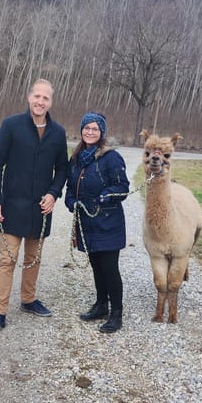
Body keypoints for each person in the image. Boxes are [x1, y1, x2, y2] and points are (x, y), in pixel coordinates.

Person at [0, 79, 69, 333]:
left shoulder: (58, 133)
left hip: (40, 209)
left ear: (50, 102)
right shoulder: (11, 125)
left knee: (34, 259)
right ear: (29, 97)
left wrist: (54, 194)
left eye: (46, 98)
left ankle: (28, 299)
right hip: (11, 206)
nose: (40, 101)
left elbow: (63, 168)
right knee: (6, 260)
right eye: (37, 96)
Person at [64, 112, 129, 333]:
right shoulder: (77, 158)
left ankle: (116, 313)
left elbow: (122, 188)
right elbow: (71, 188)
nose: (90, 132)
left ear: (101, 132)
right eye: (86, 128)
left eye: (94, 129)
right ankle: (101, 305)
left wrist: (105, 196)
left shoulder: (112, 158)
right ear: (81, 130)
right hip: (87, 223)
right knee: (96, 266)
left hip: (108, 223)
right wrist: (71, 201)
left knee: (109, 268)